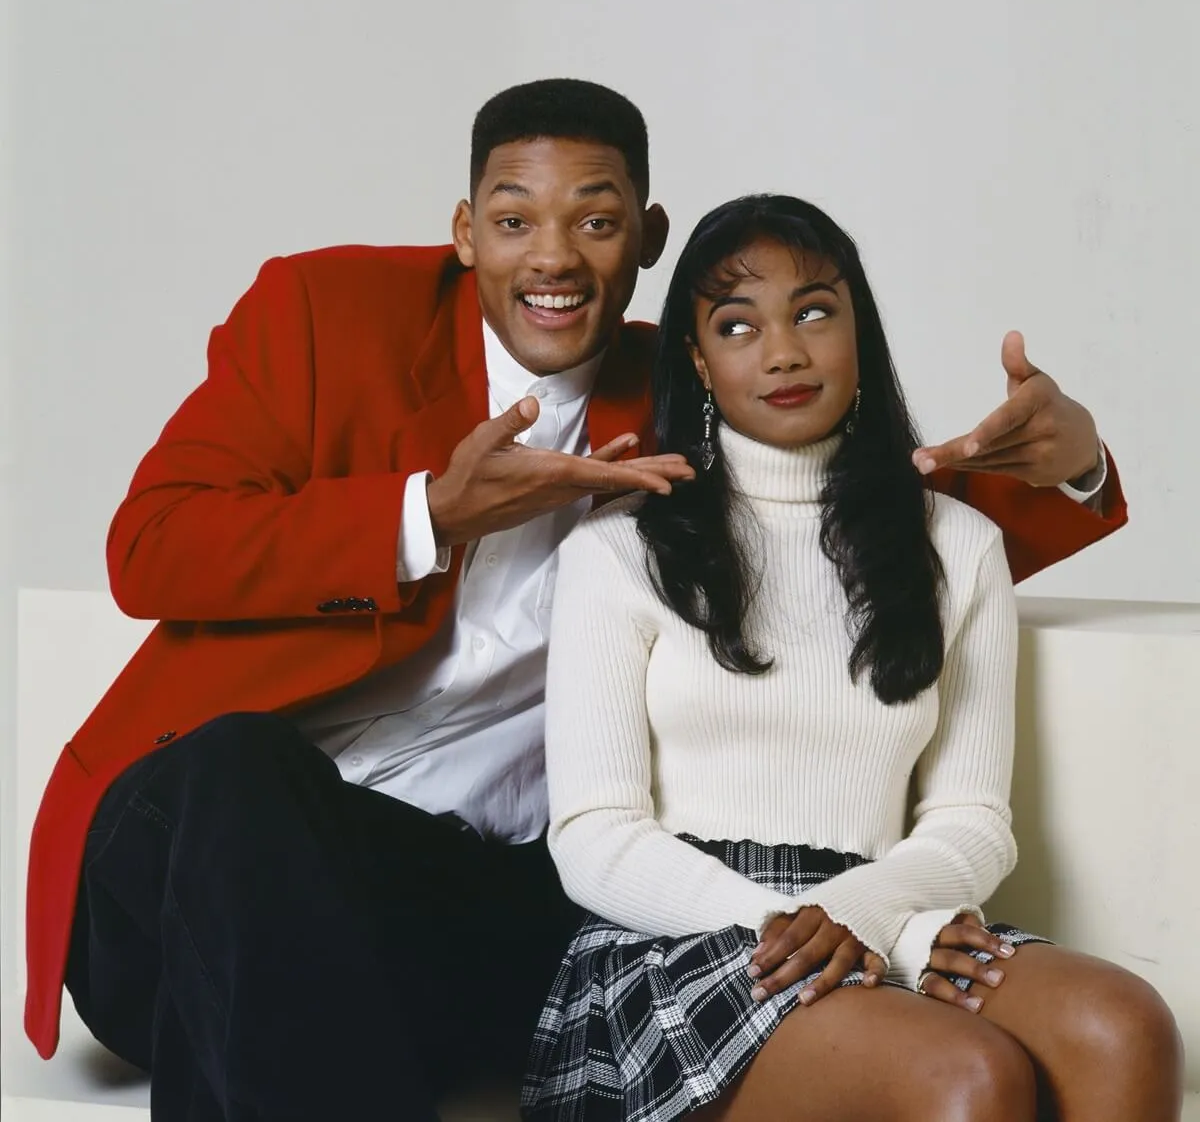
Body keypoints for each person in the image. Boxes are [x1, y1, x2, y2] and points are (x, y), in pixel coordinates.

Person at [24, 80, 1126, 1121]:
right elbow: (152, 547)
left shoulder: (688, 387)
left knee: (566, 934)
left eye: (595, 222)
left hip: (449, 906)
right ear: (466, 232)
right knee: (241, 771)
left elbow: (877, 522)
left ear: (646, 238)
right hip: (198, 872)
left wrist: (1074, 463)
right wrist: (426, 515)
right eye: (515, 221)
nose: (552, 257)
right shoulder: (324, 314)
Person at [521, 193, 1181, 1122]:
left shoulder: (958, 544)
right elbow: (594, 837)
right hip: (683, 934)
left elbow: (971, 820)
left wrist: (871, 918)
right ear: (699, 362)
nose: (783, 352)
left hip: (889, 906)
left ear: (858, 330)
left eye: (814, 313)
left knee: (1125, 1028)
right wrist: (799, 925)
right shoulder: (618, 551)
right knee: (966, 1076)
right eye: (738, 325)